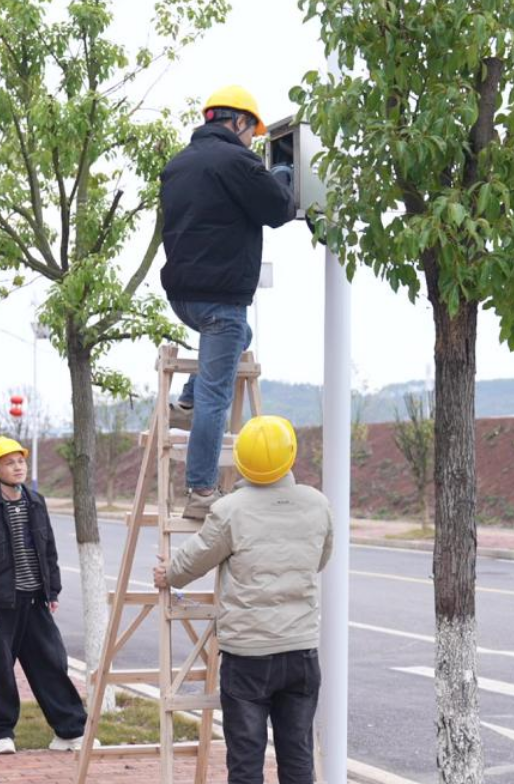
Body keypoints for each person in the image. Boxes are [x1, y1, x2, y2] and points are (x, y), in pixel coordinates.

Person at [152, 416, 332, 784]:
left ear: (242, 464)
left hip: (248, 658)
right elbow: (320, 559)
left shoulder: (230, 509)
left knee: (247, 766)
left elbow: (195, 558)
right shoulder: (317, 503)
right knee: (298, 761)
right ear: (290, 457)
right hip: (301, 652)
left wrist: (169, 572)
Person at [159, 84, 296, 519]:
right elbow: (278, 210)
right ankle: (200, 492)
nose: (253, 140)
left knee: (240, 335)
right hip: (221, 299)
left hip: (183, 298)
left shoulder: (178, 164)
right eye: (251, 132)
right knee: (218, 397)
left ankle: (185, 403)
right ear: (238, 122)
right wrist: (284, 174)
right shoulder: (238, 161)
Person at [0, 436, 88, 755]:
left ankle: (69, 732)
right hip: (0, 607)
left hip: (35, 602)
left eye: (20, 461)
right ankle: (1, 734)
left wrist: (52, 590)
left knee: (52, 664)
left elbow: (48, 549)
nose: (18, 467)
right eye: (9, 463)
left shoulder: (36, 502)